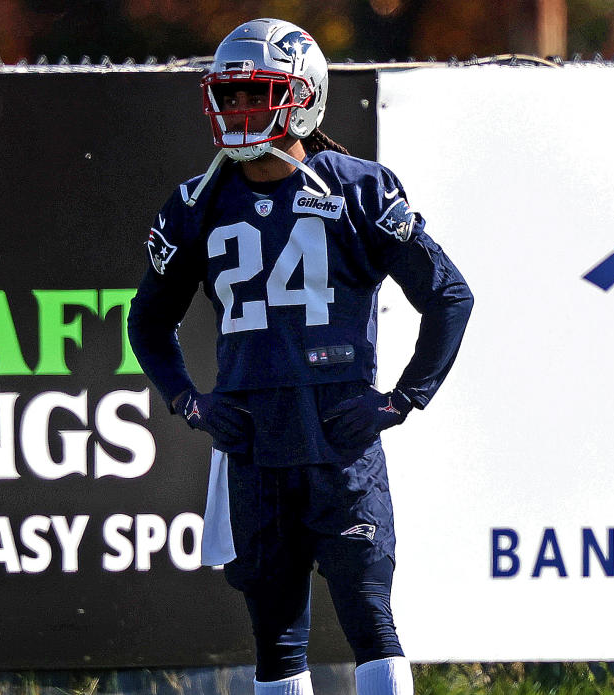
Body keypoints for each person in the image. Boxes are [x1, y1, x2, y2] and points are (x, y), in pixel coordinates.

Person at [127, 17, 473, 695]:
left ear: (305, 95)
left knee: (371, 619)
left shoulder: (359, 188)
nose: (241, 110)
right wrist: (190, 400)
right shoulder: (197, 203)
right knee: (276, 638)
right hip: (253, 438)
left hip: (337, 434)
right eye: (230, 95)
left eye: (259, 92)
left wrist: (403, 398)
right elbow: (147, 321)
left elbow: (449, 296)